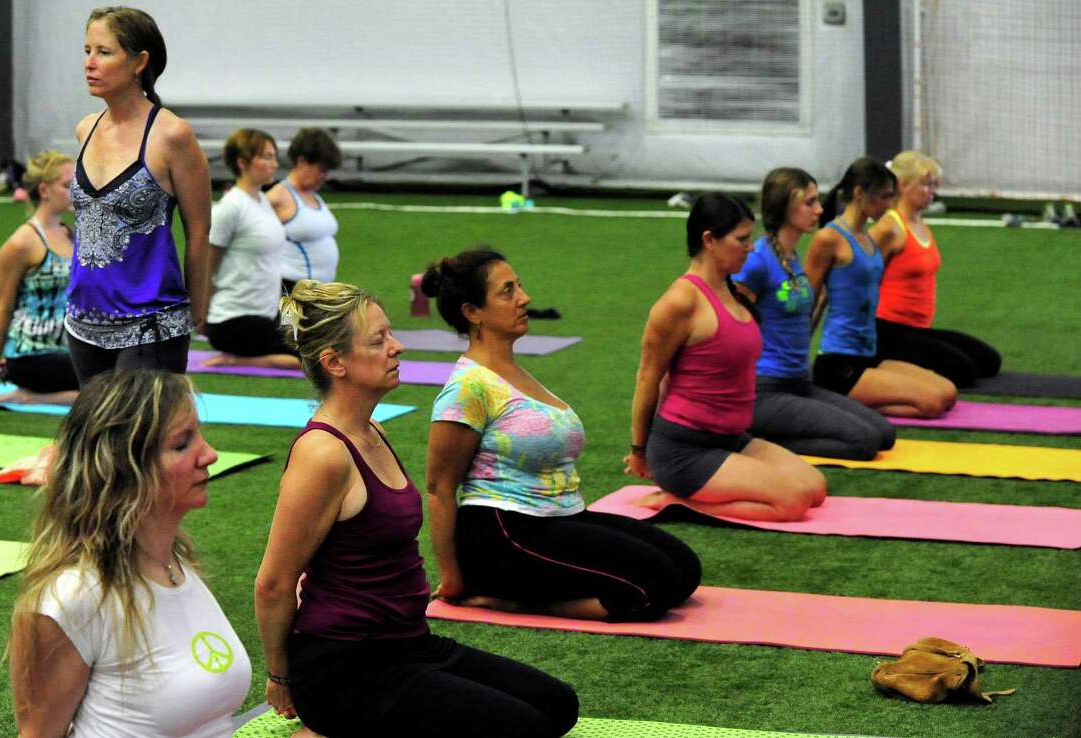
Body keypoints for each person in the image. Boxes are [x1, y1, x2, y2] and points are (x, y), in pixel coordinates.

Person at [254, 280, 578, 738]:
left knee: (557, 706)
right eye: (379, 339)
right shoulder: (323, 454)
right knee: (524, 729)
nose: (397, 346)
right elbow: (273, 583)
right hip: (345, 667)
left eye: (390, 334)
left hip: (409, 645)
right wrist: (281, 677)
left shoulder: (374, 431)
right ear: (335, 363)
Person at [423, 249, 701, 621]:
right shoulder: (468, 386)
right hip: (503, 532)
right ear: (472, 312)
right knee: (655, 586)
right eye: (507, 291)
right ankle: (518, 601)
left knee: (685, 567)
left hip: (560, 516)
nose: (525, 297)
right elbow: (440, 487)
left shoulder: (515, 372)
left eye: (519, 286)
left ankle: (524, 594)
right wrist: (453, 577)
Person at [8, 369, 251, 738]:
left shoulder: (178, 566)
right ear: (124, 470)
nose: (210, 454)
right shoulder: (73, 598)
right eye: (182, 443)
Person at [625, 193, 825, 522]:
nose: (751, 247)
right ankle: (676, 501)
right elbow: (649, 377)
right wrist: (639, 450)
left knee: (814, 488)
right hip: (684, 449)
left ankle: (693, 490)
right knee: (793, 502)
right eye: (742, 239)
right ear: (709, 240)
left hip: (731, 438)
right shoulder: (680, 301)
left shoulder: (732, 290)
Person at [66, 6, 210, 384]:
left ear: (139, 62)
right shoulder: (85, 129)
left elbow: (198, 231)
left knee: (140, 438)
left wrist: (198, 310)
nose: (90, 63)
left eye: (104, 52)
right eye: (87, 51)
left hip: (152, 322)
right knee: (97, 440)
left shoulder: (172, 134)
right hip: (82, 318)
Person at [732, 167, 894, 459]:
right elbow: (730, 329)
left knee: (885, 434)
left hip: (799, 383)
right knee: (864, 442)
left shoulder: (793, 259)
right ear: (784, 207)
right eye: (809, 202)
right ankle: (753, 441)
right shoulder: (757, 261)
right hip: (765, 389)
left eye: (817, 200)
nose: (819, 209)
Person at [805, 157, 956, 417]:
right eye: (884, 197)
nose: (890, 205)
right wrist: (794, 357)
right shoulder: (828, 239)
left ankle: (846, 401)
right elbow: (812, 299)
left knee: (948, 392)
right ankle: (838, 398)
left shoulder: (869, 239)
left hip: (870, 355)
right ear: (859, 193)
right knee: (930, 403)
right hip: (839, 363)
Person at [869, 151, 1001, 387]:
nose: (932, 191)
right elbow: (860, 275)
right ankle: (885, 363)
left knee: (989, 361)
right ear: (902, 185)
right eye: (925, 185)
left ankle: (908, 360)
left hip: (918, 329)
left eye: (934, 185)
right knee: (964, 372)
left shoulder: (920, 224)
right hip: (888, 330)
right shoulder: (889, 227)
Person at [0, 150, 81, 405]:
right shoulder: (21, 243)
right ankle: (31, 397)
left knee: (127, 374)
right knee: (110, 386)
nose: (76, 191)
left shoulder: (70, 234)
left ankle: (56, 395)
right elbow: (5, 307)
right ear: (44, 190)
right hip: (31, 355)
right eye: (68, 185)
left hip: (70, 348)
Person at [202, 128, 300, 370]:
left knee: (322, 338)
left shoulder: (262, 201)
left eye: (274, 157)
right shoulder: (231, 207)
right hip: (233, 320)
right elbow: (207, 264)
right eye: (266, 157)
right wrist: (200, 314)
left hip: (268, 313)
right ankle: (238, 360)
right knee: (311, 355)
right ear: (242, 163)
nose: (274, 164)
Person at [267, 128, 342, 289]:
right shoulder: (278, 196)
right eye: (321, 169)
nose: (324, 177)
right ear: (302, 162)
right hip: (291, 291)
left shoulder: (315, 198)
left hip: (320, 291)